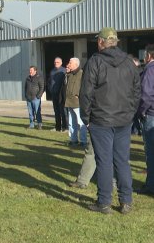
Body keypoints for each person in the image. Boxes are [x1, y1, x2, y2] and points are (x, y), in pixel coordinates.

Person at [80, 27, 140, 214]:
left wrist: (86, 117)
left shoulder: (95, 62)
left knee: (104, 161)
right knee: (122, 160)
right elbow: (136, 92)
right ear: (115, 42)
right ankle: (126, 201)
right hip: (122, 119)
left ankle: (104, 202)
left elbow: (86, 93)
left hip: (102, 120)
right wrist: (130, 113)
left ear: (101, 42)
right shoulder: (129, 63)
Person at [136, 44, 154, 196]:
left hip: (151, 115)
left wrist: (141, 112)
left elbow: (146, 95)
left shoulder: (149, 69)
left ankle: (151, 186)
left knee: (151, 153)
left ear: (149, 56)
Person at [64, 57, 87, 147]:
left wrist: (79, 95)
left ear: (76, 64)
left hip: (78, 102)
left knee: (81, 123)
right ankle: (73, 139)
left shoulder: (82, 74)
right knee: (71, 122)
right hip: (69, 101)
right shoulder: (70, 74)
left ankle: (83, 141)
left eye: (70, 63)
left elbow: (85, 87)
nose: (68, 64)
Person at [49, 57, 67, 132]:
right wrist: (50, 89)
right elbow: (49, 81)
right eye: (55, 62)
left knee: (63, 111)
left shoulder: (64, 71)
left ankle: (64, 127)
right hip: (54, 94)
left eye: (57, 62)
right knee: (56, 111)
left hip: (61, 95)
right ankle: (57, 127)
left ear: (61, 63)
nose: (56, 63)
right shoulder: (52, 71)